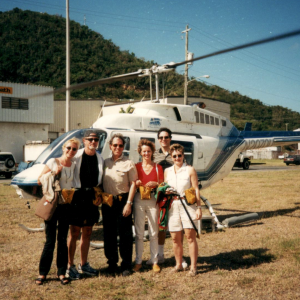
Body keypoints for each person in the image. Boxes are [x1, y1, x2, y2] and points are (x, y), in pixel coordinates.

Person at [35, 137, 80, 285]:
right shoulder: (53, 161)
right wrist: (54, 172)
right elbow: (39, 179)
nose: (71, 151)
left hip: (66, 204)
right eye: (68, 148)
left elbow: (73, 182)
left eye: (74, 149)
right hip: (53, 203)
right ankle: (43, 273)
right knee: (50, 240)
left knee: (62, 240)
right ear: (63, 148)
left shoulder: (73, 164)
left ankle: (61, 272)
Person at [67, 130, 103, 279]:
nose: (93, 142)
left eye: (96, 139)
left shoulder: (100, 158)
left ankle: (84, 264)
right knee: (74, 232)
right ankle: (70, 266)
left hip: (91, 198)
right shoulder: (76, 156)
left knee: (87, 231)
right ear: (84, 140)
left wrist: (99, 194)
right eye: (90, 139)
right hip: (77, 197)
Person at [102, 133, 137, 277]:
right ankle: (111, 264)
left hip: (123, 201)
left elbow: (133, 183)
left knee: (125, 234)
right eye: (115, 145)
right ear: (110, 146)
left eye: (120, 145)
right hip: (108, 201)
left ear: (124, 147)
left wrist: (128, 204)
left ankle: (126, 265)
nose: (117, 147)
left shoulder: (129, 163)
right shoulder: (104, 162)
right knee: (109, 233)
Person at [164, 143, 202, 276]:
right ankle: (179, 264)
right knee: (175, 238)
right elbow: (164, 188)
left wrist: (198, 207)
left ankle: (193, 267)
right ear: (171, 156)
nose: (177, 158)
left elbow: (196, 189)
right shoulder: (167, 171)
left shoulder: (190, 170)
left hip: (188, 205)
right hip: (173, 206)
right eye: (174, 156)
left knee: (190, 237)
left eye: (179, 155)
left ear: (183, 155)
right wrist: (166, 192)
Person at [153, 127, 187, 268]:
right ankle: (160, 255)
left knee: (179, 228)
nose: (163, 140)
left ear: (170, 138)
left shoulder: (176, 153)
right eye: (161, 137)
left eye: (166, 137)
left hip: (177, 196)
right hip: (162, 195)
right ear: (158, 139)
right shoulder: (154, 155)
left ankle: (180, 256)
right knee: (161, 225)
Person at [133, 139, 163, 273]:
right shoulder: (136, 166)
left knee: (153, 231)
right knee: (139, 232)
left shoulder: (158, 167)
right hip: (139, 199)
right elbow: (131, 182)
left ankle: (154, 261)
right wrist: (137, 182)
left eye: (149, 151)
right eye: (144, 151)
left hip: (152, 200)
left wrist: (156, 184)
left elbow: (162, 184)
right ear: (140, 152)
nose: (146, 153)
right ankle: (138, 261)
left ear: (152, 152)